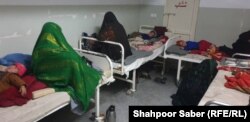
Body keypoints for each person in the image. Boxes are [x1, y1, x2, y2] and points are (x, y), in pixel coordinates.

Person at [32, 22, 101, 112]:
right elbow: (71, 56)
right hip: (61, 76)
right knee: (75, 62)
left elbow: (34, 65)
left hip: (41, 75)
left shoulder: (37, 50)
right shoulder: (66, 55)